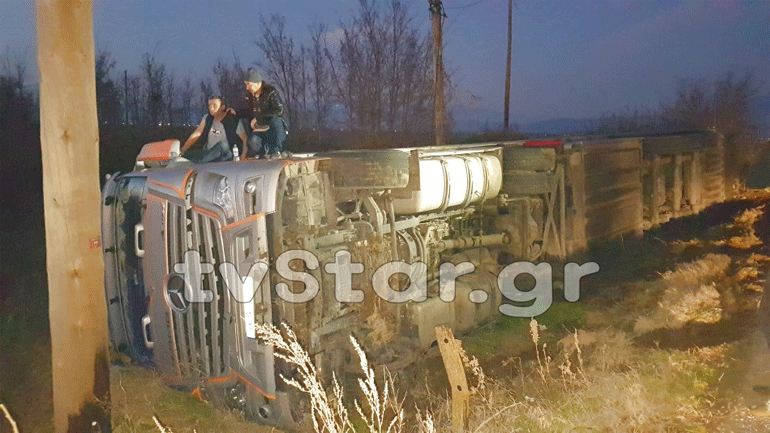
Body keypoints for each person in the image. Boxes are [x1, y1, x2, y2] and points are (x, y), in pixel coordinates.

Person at [238, 68, 287, 159]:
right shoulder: (249, 96)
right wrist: (236, 112)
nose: (247, 88)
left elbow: (279, 110)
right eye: (246, 85)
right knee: (252, 140)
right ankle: (263, 153)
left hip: (272, 126)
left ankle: (276, 150)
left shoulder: (270, 92)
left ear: (257, 83)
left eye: (249, 84)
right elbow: (249, 112)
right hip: (260, 129)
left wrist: (259, 118)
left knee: (275, 120)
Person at [181, 95, 246, 163]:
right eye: (209, 105)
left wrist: (243, 156)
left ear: (222, 107)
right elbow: (197, 133)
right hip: (209, 153)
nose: (211, 108)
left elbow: (245, 139)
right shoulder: (207, 118)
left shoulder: (232, 120)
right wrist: (183, 149)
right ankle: (192, 161)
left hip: (225, 155)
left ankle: (197, 163)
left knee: (223, 145)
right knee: (187, 155)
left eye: (214, 105)